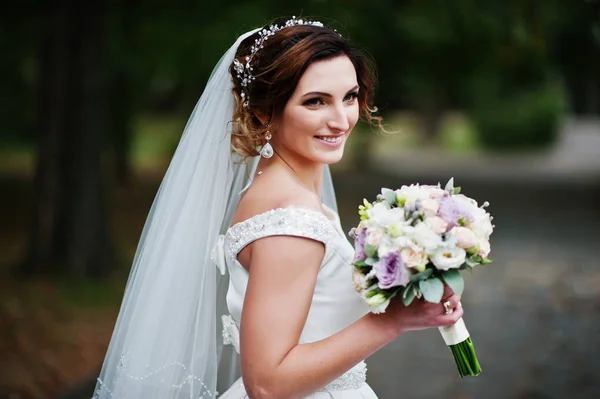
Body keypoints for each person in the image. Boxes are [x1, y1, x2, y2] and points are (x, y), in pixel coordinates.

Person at [93, 16, 463, 399]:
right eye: (315, 101)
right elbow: (268, 383)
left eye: (349, 97)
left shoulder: (273, 193)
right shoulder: (292, 223)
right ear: (263, 113)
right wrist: (393, 322)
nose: (341, 120)